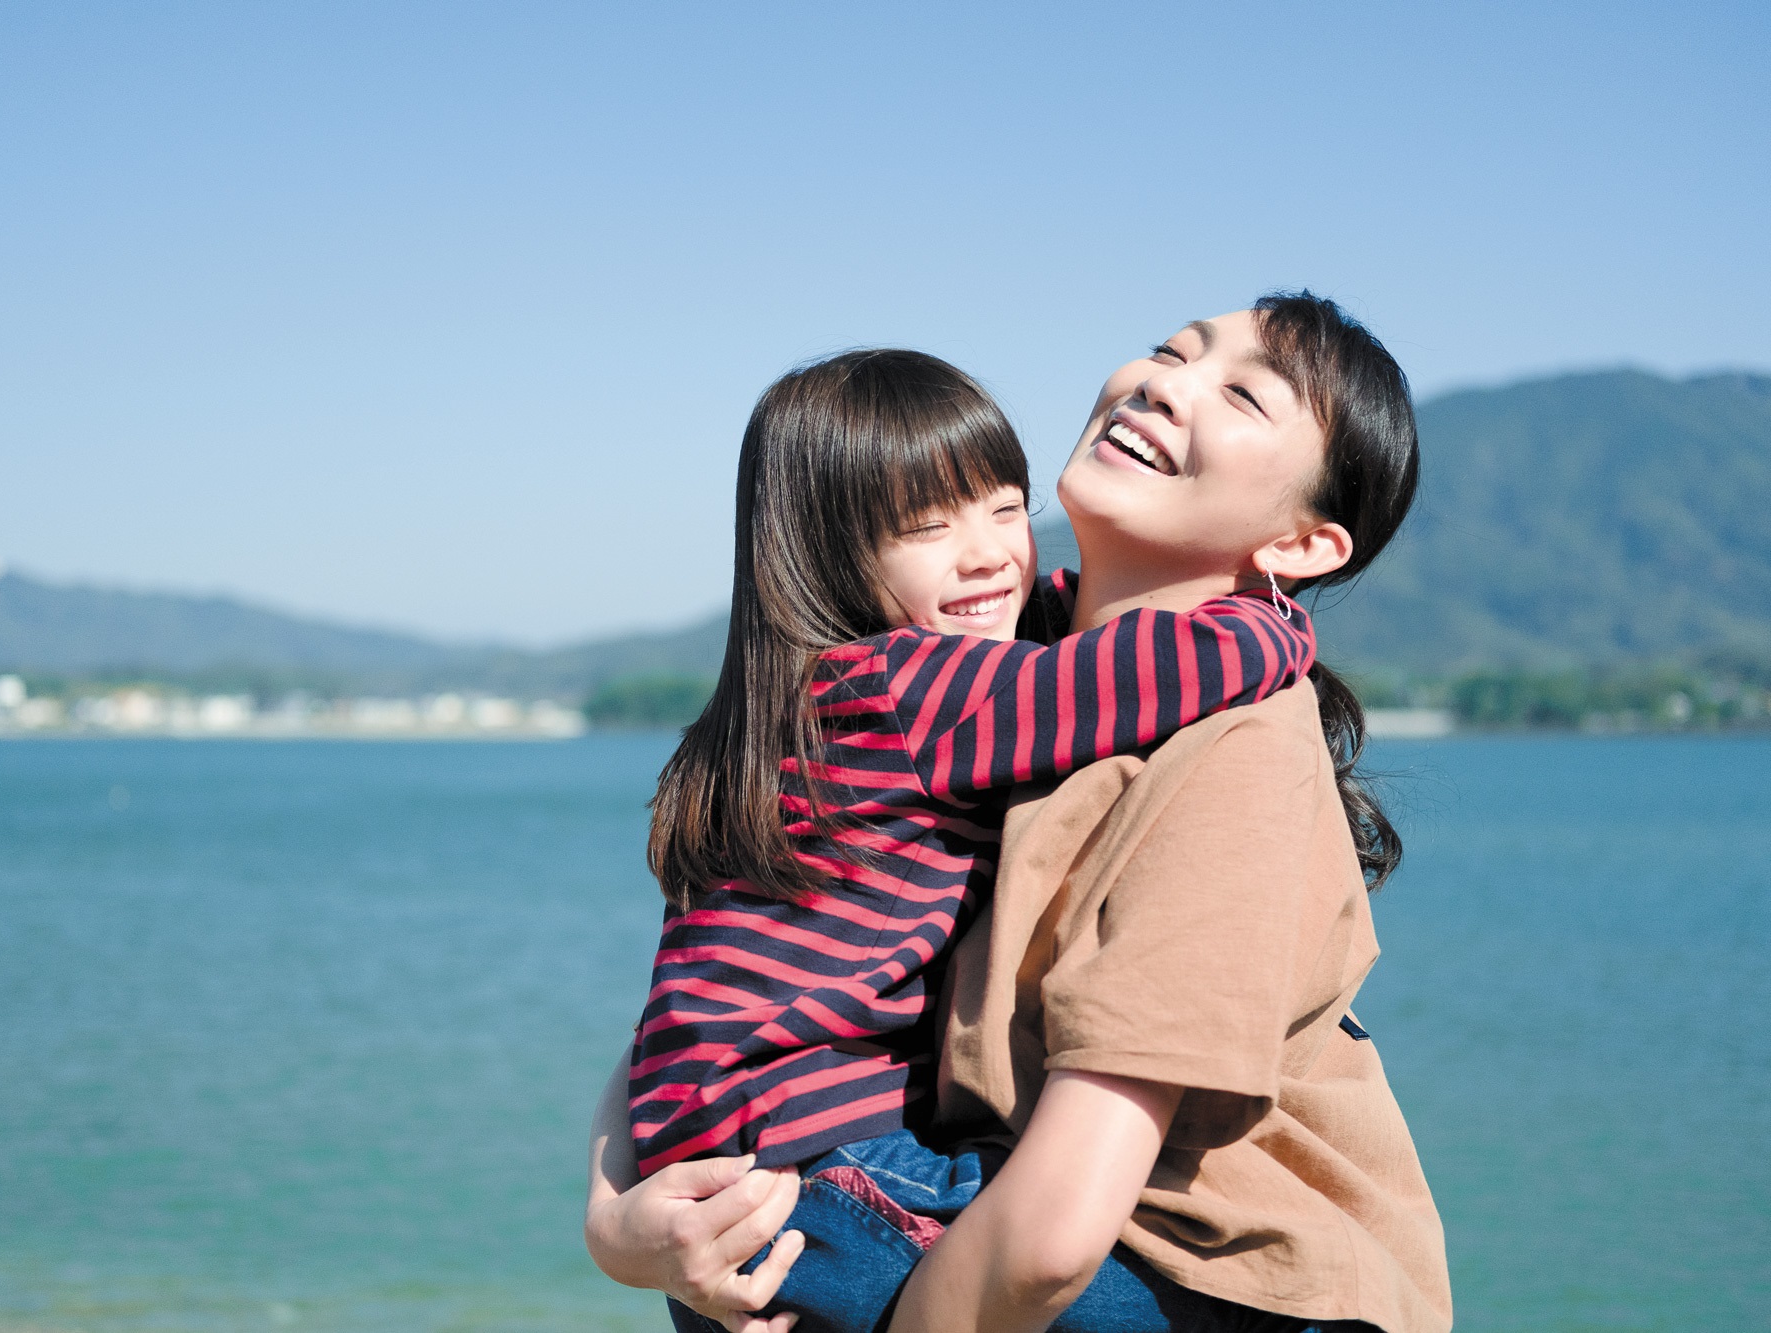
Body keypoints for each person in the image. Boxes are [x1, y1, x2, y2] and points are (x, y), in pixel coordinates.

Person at [586, 294, 1449, 1333]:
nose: (1161, 381)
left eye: (1238, 393)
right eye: (1171, 349)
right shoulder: (985, 681)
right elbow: (718, 983)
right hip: (879, 1193)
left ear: (1304, 544)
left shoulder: (1234, 743)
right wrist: (614, 1226)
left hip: (1203, 1273)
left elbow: (1044, 1241)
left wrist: (623, 1211)